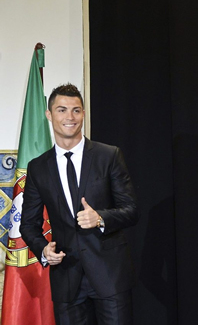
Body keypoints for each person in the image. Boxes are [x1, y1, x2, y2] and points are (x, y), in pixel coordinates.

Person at [20, 83, 138, 325]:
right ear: (49, 115)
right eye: (62, 110)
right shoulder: (38, 167)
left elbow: (131, 210)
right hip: (66, 278)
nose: (70, 117)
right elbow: (28, 225)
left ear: (83, 114)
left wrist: (101, 218)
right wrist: (43, 250)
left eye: (76, 110)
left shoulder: (109, 156)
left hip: (110, 276)